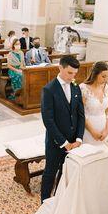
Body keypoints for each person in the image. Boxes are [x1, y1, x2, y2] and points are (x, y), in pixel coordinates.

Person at [40, 55, 85, 201]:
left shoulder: (75, 87)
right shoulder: (49, 89)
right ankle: (44, 203)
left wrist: (78, 138)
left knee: (65, 172)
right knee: (50, 172)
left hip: (74, 142)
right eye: (69, 73)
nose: (72, 77)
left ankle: (59, 200)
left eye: (75, 74)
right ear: (60, 68)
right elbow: (48, 120)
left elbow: (80, 115)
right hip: (56, 141)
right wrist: (64, 143)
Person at [80, 61, 108, 144]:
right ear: (95, 74)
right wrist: (92, 131)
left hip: (104, 129)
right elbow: (81, 113)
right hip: (89, 130)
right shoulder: (83, 88)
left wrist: (107, 129)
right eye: (103, 76)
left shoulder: (105, 87)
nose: (106, 80)